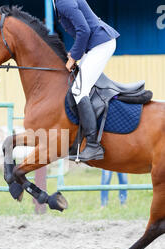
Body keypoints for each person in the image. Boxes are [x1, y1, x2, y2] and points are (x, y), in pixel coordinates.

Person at [53, 0, 120, 161]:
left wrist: (74, 56)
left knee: (78, 90)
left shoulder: (63, 2)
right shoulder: (59, 2)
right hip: (95, 45)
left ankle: (93, 145)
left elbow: (84, 30)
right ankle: (78, 141)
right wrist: (74, 53)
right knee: (75, 87)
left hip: (101, 45)